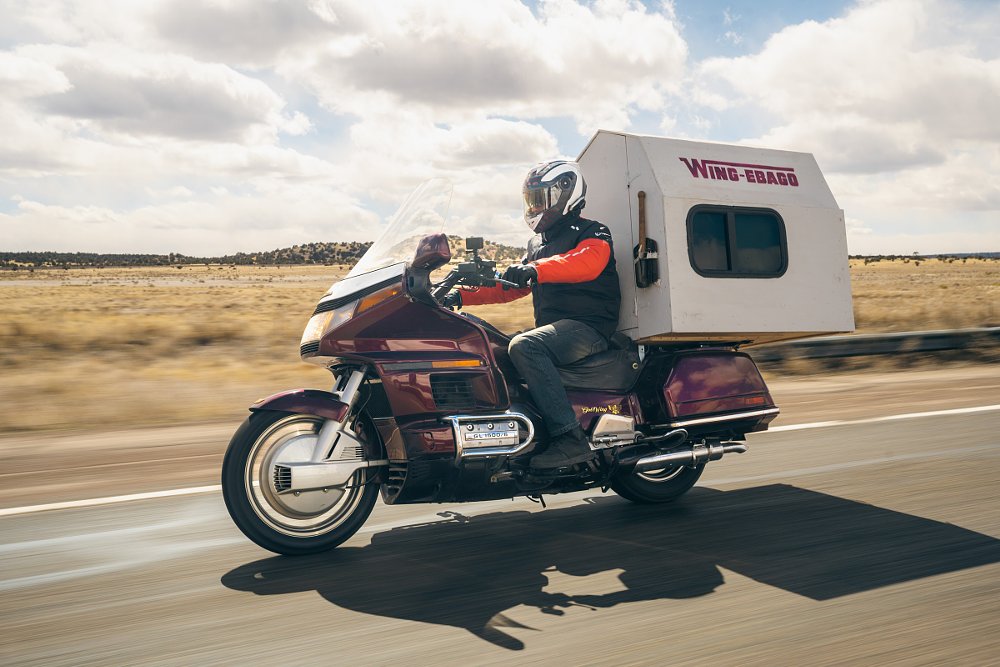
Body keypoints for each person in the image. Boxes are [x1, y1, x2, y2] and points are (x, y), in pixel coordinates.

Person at [444, 161, 622, 469]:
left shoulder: (594, 232)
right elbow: (511, 287)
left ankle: (570, 438)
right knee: (490, 346)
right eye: (531, 200)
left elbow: (586, 263)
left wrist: (535, 269)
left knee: (526, 346)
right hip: (554, 329)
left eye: (540, 200)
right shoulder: (538, 243)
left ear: (564, 195)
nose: (534, 207)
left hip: (588, 328)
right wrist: (460, 296)